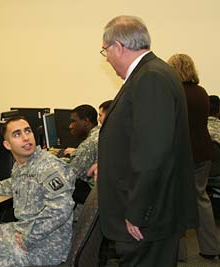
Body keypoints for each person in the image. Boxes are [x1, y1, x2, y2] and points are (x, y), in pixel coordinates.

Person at [94, 15, 197, 266]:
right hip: (154, 211)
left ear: (118, 47)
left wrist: (137, 212)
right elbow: (140, 139)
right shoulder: (153, 73)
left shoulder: (150, 78)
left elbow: (153, 154)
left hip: (147, 218)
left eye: (105, 51)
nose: (106, 58)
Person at [0, 116, 75, 267]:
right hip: (26, 228)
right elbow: (15, 183)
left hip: (47, 245)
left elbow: (60, 209)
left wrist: (28, 238)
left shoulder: (49, 167)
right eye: (17, 134)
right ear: (7, 144)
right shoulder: (24, 164)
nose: (26, 138)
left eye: (27, 131)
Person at [168, 54, 220, 260]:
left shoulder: (174, 92)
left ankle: (179, 254)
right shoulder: (201, 92)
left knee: (176, 201)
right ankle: (210, 248)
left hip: (181, 154)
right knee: (201, 199)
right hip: (204, 152)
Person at [63, 105, 99, 188]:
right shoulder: (99, 133)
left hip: (91, 192)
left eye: (73, 121)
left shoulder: (90, 143)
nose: (70, 126)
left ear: (86, 121)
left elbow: (72, 174)